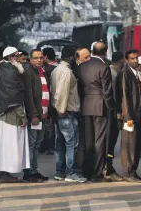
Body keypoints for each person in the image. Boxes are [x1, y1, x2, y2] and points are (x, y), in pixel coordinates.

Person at [0, 47, 30, 183]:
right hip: (9, 116)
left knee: (5, 146)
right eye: (16, 56)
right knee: (9, 146)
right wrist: (22, 116)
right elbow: (13, 96)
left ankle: (3, 173)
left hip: (3, 114)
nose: (19, 58)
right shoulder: (9, 71)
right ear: (9, 57)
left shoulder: (2, 68)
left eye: (19, 56)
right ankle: (4, 174)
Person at [79, 42, 115, 182]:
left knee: (88, 140)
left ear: (92, 51)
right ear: (106, 52)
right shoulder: (103, 66)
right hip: (100, 105)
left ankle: (86, 170)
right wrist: (110, 107)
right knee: (100, 141)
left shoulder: (82, 66)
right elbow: (107, 91)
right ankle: (97, 172)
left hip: (86, 104)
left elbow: (80, 88)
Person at [51, 46, 87, 183]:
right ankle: (70, 173)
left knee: (60, 143)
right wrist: (61, 110)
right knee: (71, 143)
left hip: (59, 111)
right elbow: (62, 92)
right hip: (67, 112)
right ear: (71, 57)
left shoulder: (56, 70)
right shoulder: (67, 72)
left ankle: (60, 172)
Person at [117, 50, 141, 183]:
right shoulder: (124, 73)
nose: (135, 61)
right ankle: (128, 172)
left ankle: (133, 171)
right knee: (129, 144)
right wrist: (127, 116)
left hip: (138, 114)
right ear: (126, 60)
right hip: (130, 115)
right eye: (132, 58)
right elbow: (124, 97)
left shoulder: (136, 73)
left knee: (136, 144)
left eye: (136, 58)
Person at [22, 49, 50, 183]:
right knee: (31, 145)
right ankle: (29, 173)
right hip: (35, 116)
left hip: (43, 115)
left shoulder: (42, 72)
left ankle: (34, 170)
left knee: (37, 144)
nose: (39, 60)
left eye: (40, 57)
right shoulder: (28, 73)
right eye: (36, 58)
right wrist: (33, 114)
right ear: (30, 60)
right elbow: (28, 96)